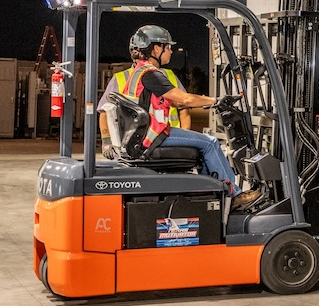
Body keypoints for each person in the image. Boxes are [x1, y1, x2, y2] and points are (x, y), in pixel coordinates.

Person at [108, 24, 260, 211]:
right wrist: (216, 100)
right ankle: (234, 195)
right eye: (167, 47)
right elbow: (184, 98)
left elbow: (177, 103)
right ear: (156, 48)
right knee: (210, 143)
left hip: (143, 136)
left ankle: (209, 194)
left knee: (201, 145)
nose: (170, 51)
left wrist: (200, 102)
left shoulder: (138, 72)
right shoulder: (151, 75)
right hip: (152, 137)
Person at [99, 64, 191, 150]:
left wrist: (183, 137)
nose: (170, 52)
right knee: (205, 143)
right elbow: (105, 111)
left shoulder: (170, 76)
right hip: (132, 143)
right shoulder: (120, 78)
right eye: (167, 48)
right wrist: (106, 140)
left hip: (168, 139)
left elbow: (184, 110)